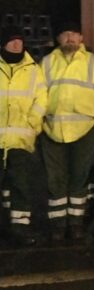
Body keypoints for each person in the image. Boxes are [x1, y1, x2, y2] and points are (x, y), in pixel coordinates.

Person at [41, 21, 94, 242]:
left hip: (85, 131)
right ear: (58, 38)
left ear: (81, 38)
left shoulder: (93, 62)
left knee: (79, 178)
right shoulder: (48, 62)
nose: (70, 38)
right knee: (56, 180)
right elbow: (39, 95)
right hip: (53, 130)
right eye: (65, 33)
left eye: (74, 34)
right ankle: (58, 225)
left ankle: (76, 223)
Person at [0, 26, 47, 246]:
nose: (17, 45)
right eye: (12, 41)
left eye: (19, 41)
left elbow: (41, 99)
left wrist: (32, 124)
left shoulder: (33, 70)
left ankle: (21, 227)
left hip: (21, 139)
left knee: (21, 185)